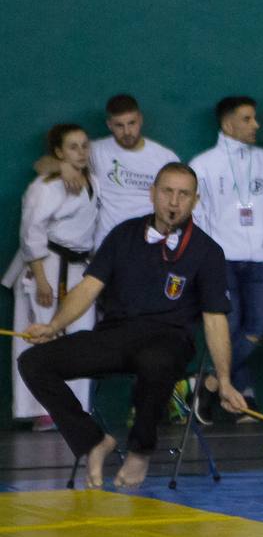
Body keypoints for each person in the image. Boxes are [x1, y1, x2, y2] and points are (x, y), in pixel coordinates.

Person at [18, 163, 246, 489]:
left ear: (195, 201)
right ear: (153, 194)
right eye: (167, 191)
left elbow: (215, 319)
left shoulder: (207, 251)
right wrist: (54, 325)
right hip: (115, 336)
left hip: (169, 340)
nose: (174, 201)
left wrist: (224, 380)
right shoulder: (123, 234)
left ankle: (140, 449)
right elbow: (88, 289)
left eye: (183, 195)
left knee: (155, 361)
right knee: (33, 362)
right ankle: (92, 442)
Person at [190, 96, 263, 414]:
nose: (256, 125)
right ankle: (242, 396)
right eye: (247, 119)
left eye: (255, 118)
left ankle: (207, 382)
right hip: (220, 260)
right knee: (228, 327)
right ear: (228, 123)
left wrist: (261, 233)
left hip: (261, 257)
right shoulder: (202, 166)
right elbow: (198, 217)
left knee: (259, 324)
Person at [8, 125, 100, 428]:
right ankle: (43, 411)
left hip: (79, 267)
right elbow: (30, 230)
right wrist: (40, 278)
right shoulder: (44, 186)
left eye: (84, 145)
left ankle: (78, 407)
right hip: (47, 265)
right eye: (72, 147)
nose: (81, 152)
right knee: (43, 336)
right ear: (59, 152)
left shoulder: (94, 182)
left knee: (81, 340)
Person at [35, 95, 178, 248]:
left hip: (148, 244)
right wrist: (62, 166)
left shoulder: (165, 158)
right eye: (119, 125)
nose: (127, 131)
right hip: (106, 245)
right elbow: (40, 165)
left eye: (132, 123)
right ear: (109, 125)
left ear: (140, 119)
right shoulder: (96, 150)